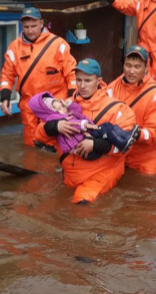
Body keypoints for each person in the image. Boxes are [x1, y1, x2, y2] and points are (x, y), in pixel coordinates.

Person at [35, 59, 137, 204]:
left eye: (88, 81)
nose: (82, 86)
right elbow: (38, 136)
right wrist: (56, 126)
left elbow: (125, 148)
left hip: (101, 173)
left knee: (82, 203)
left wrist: (95, 145)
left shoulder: (118, 109)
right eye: (79, 80)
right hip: (70, 175)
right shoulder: (65, 105)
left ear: (99, 81)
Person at [0, 7, 77, 147]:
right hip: (29, 108)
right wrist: (5, 98)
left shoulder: (58, 45)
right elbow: (7, 74)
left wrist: (73, 96)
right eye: (26, 27)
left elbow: (72, 72)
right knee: (31, 146)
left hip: (55, 106)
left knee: (57, 145)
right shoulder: (14, 48)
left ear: (42, 23)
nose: (30, 30)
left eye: (34, 26)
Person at [107, 45, 156, 175]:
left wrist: (135, 134)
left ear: (146, 68)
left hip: (145, 158)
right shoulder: (112, 88)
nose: (131, 71)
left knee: (146, 189)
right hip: (117, 154)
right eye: (128, 65)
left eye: (137, 67)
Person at [29, 91, 140, 160]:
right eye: (58, 108)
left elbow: (77, 110)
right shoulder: (55, 119)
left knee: (107, 128)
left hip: (86, 144)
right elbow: (73, 125)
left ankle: (125, 137)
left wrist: (67, 104)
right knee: (106, 128)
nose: (62, 109)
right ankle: (123, 142)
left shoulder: (64, 112)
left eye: (61, 106)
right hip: (84, 150)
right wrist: (85, 125)